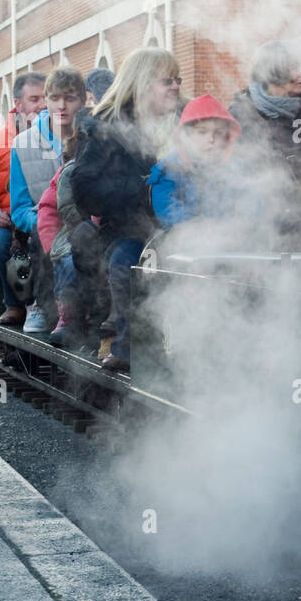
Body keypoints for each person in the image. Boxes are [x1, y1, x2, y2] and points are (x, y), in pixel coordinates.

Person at [70, 48, 179, 372]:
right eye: (166, 81)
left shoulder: (184, 120)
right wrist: (142, 189)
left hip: (186, 223)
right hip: (127, 228)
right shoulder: (105, 127)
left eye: (178, 79)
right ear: (143, 83)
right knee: (128, 260)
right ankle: (129, 347)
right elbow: (84, 189)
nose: (175, 87)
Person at [228, 40, 301, 244]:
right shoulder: (241, 113)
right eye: (293, 67)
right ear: (271, 72)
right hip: (265, 220)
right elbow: (231, 168)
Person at [10, 65, 85, 333]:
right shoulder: (22, 145)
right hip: (41, 225)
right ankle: (41, 306)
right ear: (47, 99)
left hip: (85, 221)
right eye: (54, 98)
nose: (62, 105)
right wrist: (44, 220)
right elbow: (18, 208)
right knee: (45, 239)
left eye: (70, 97)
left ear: (82, 101)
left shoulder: (93, 138)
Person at [0, 70, 44, 326]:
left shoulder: (59, 136)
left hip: (43, 218)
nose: (43, 105)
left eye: (46, 98)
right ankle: (13, 303)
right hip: (9, 224)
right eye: (35, 98)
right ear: (18, 104)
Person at [147, 95, 250, 228]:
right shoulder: (169, 169)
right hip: (182, 241)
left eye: (218, 133)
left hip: (231, 237)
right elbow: (167, 208)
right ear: (185, 135)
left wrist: (237, 225)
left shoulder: (238, 169)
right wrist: (199, 230)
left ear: (227, 136)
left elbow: (250, 202)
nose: (211, 139)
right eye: (202, 132)